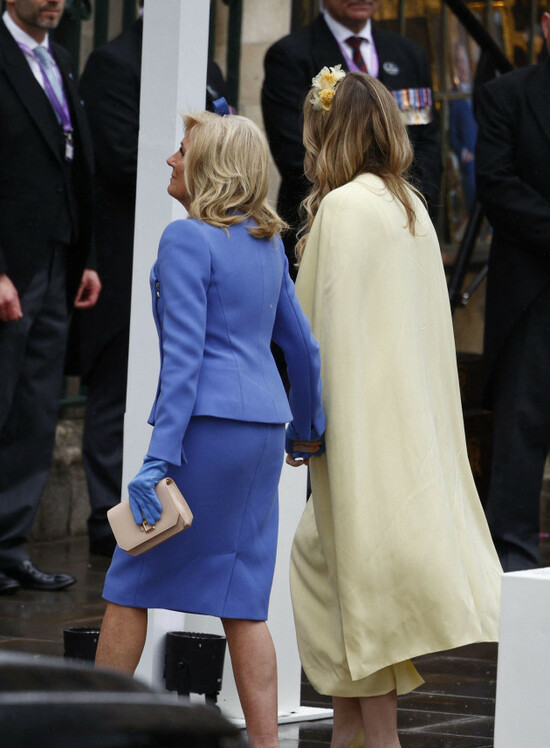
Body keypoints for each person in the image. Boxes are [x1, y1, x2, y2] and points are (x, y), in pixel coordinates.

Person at [94, 111, 325, 748]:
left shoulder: (187, 240)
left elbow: (185, 364)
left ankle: (91, 728)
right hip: (260, 436)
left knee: (129, 580)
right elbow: (302, 350)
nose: (171, 160)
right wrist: (306, 432)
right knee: (243, 599)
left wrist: (156, 461)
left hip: (202, 435)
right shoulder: (266, 240)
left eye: (181, 150)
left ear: (208, 166)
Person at [286, 69, 501, 748]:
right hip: (402, 429)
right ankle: (362, 738)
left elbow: (314, 333)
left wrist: (306, 425)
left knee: (346, 589)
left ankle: (380, 741)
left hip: (357, 433)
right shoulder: (407, 203)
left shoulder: (344, 209)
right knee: (348, 592)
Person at [77, 6, 233, 557]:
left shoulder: (207, 65)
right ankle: (104, 516)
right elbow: (121, 159)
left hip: (199, 245)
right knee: (118, 380)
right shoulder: (113, 62)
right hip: (124, 251)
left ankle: (158, 506)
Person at [0, 0, 101, 595]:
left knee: (35, 411)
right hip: (11, 267)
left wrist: (86, 258)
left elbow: (74, 165)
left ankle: (9, 548)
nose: (54, 1)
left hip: (59, 261)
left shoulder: (61, 59)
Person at [261, 0, 441, 276]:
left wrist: (400, 205)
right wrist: (361, 204)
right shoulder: (290, 55)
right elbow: (295, 154)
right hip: (323, 230)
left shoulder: (409, 54)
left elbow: (427, 141)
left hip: (403, 229)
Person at [475, 6, 550, 572]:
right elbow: (496, 185)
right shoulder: (507, 95)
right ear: (546, 24)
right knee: (520, 438)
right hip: (532, 297)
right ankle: (514, 576)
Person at [449, 42, 477, 213]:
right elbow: (451, 134)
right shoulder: (453, 97)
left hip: (486, 156)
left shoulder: (480, 91)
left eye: (465, 61)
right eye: (459, 61)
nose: (463, 66)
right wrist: (462, 152)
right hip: (469, 162)